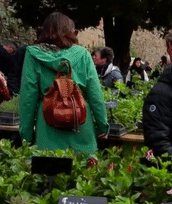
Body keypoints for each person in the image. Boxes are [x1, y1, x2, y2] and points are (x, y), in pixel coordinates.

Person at [19, 12, 108, 155]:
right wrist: (103, 126)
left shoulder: (33, 55)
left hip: (48, 128)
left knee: (48, 171)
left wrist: (26, 135)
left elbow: (28, 98)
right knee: (84, 173)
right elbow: (95, 93)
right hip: (80, 124)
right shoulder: (82, 54)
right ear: (70, 31)